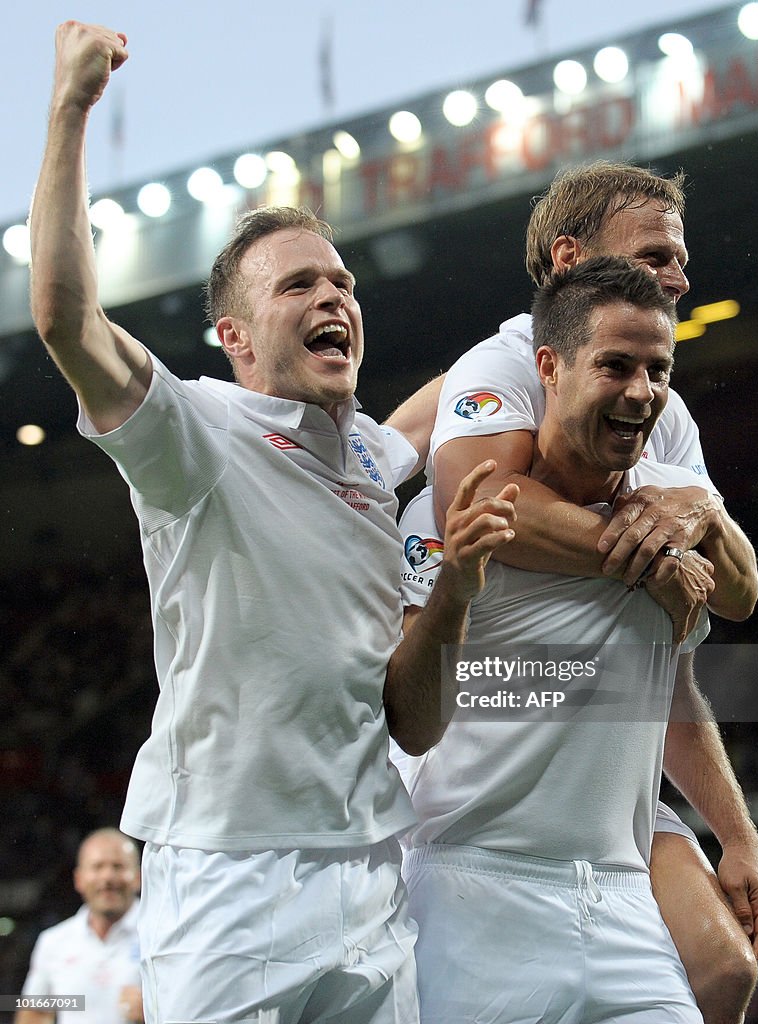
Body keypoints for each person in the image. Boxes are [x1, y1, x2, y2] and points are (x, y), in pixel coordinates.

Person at [30, 22, 517, 1024]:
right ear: (237, 338)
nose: (333, 294)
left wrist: (548, 316)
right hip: (229, 880)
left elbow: (442, 402)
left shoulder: (367, 461)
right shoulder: (195, 431)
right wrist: (72, 108)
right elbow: (65, 320)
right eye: (299, 284)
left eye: (340, 281)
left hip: (370, 873)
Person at [387, 162, 758, 1024]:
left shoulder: (663, 425)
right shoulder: (493, 371)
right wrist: (646, 550)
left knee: (724, 971)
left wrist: (696, 509)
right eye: (653, 256)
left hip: (609, 874)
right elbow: (471, 502)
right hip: (469, 856)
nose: (674, 277)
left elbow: (730, 603)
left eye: (679, 261)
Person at [16, 829, 144, 1024]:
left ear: (138, 877)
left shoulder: (161, 937)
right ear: (79, 879)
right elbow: (35, 1013)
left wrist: (155, 1011)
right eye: (97, 867)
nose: (107, 877)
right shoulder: (54, 941)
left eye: (118, 867)